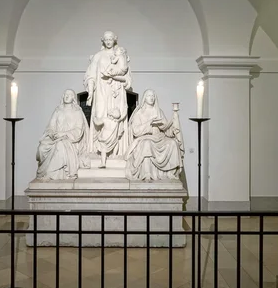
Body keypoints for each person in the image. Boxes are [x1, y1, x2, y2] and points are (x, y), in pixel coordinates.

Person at [84, 31, 132, 167]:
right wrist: (91, 93)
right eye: (106, 39)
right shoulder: (98, 56)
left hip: (116, 91)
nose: (109, 41)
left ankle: (116, 154)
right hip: (101, 91)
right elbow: (91, 75)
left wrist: (116, 78)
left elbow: (126, 76)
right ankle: (98, 151)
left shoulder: (120, 54)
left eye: (111, 39)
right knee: (100, 115)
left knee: (115, 120)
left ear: (115, 40)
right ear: (103, 41)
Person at [125, 89, 184, 180]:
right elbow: (135, 130)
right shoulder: (139, 113)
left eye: (153, 96)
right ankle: (147, 173)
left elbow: (165, 128)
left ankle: (170, 173)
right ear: (144, 98)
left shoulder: (158, 111)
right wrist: (149, 123)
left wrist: (173, 123)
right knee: (147, 144)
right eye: (149, 95)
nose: (151, 98)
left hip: (159, 137)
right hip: (145, 137)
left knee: (172, 143)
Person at [36, 89, 90, 180]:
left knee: (60, 146)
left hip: (70, 140)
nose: (66, 96)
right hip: (55, 138)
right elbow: (50, 126)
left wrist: (63, 134)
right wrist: (52, 133)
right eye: (65, 94)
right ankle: (43, 172)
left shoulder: (77, 112)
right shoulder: (58, 110)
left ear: (73, 98)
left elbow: (78, 130)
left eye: (69, 94)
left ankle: (51, 173)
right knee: (42, 148)